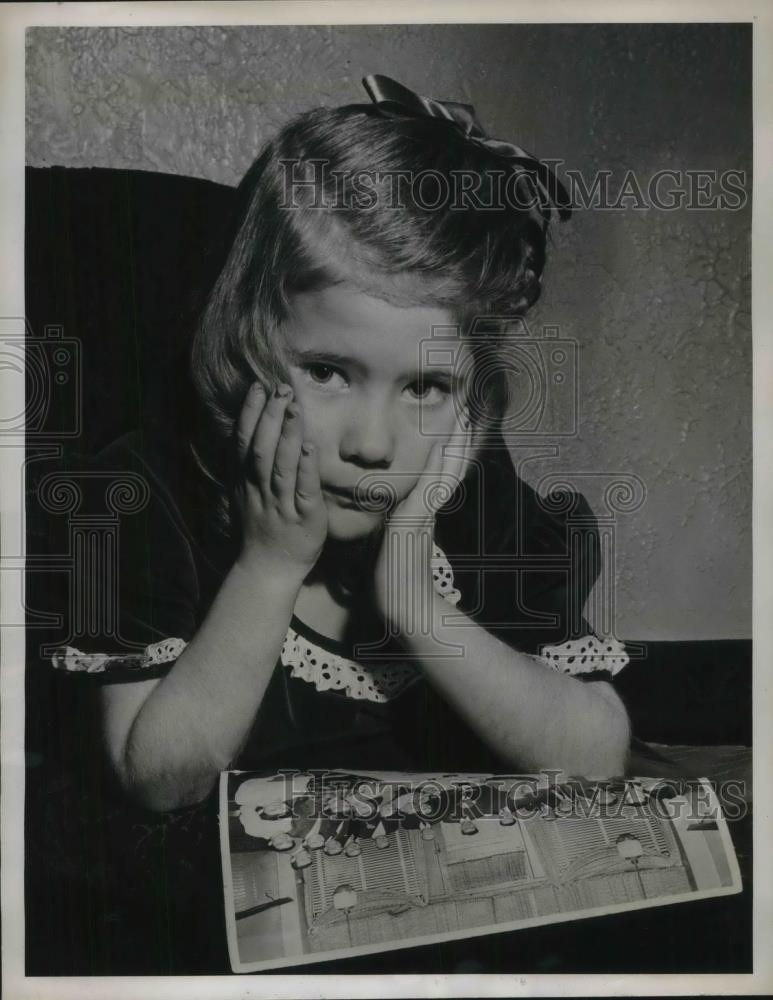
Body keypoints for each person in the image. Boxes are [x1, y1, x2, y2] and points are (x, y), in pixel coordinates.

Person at [54, 75, 631, 818]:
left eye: (424, 388)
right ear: (244, 343)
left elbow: (594, 757)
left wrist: (415, 602)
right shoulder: (143, 493)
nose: (371, 444)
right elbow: (160, 779)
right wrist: (270, 568)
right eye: (328, 372)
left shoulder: (466, 493)